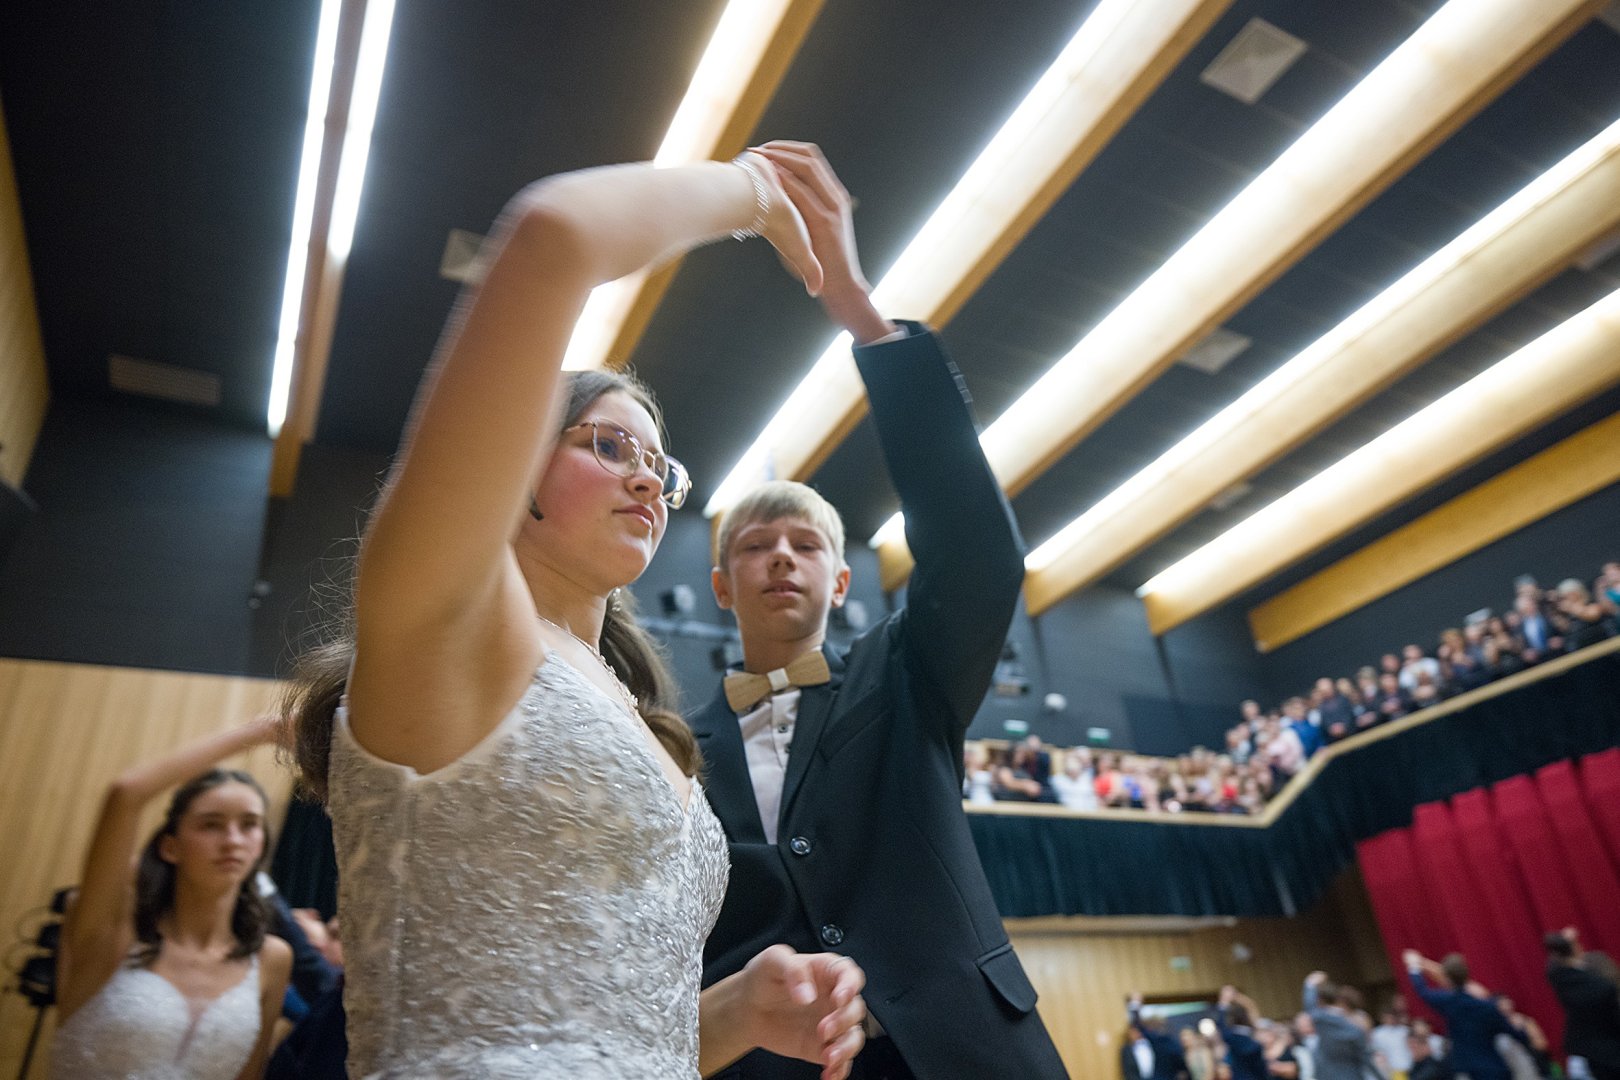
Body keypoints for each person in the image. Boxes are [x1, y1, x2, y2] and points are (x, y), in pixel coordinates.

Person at [287, 149, 868, 1078]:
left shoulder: (641, 715)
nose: (648, 480)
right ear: (518, 462)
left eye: (660, 467)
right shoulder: (457, 618)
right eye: (609, 446)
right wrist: (756, 190)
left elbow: (605, 1029)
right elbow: (552, 237)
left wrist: (732, 1014)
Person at [688, 141, 1067, 1079]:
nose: (782, 556)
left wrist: (861, 314)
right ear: (721, 586)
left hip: (964, 1051)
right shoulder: (674, 746)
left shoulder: (906, 676)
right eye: (756, 546)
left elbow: (977, 552)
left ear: (842, 584)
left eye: (807, 544)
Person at [50, 718, 293, 1079]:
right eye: (211, 824)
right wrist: (265, 732)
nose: (233, 840)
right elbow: (126, 794)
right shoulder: (115, 930)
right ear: (170, 847)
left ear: (261, 845)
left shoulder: (272, 958)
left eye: (249, 824)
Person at [1404, 951, 1524, 1080]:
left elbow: (1423, 991)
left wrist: (1414, 966)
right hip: (1495, 1069)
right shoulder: (1488, 1006)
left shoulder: (1449, 1002)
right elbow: (1516, 1034)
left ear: (1448, 978)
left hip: (1470, 1070)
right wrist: (1520, 1029)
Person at [1544, 929, 1620, 1080]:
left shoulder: (1566, 982)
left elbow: (1554, 970)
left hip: (1593, 1053)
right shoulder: (1600, 989)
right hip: (1606, 1054)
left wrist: (1565, 947)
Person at [1301, 972, 1374, 1080]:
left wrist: (1310, 983)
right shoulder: (1358, 1024)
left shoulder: (1325, 1020)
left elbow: (1310, 1008)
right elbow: (1365, 1058)